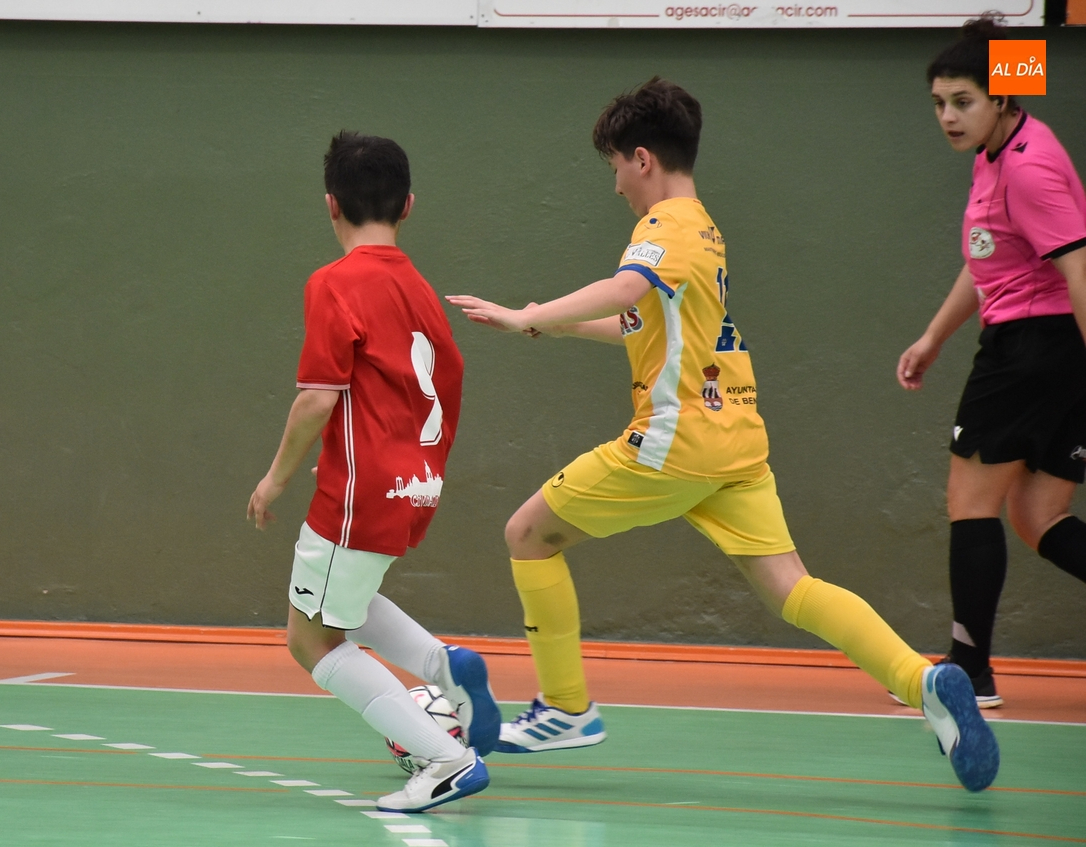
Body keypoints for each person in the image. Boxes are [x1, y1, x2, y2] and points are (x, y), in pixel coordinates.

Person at [447, 77, 999, 792]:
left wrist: (527, 315)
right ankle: (922, 681)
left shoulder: (665, 227)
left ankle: (566, 707)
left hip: (674, 441)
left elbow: (625, 290)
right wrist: (554, 327)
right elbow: (642, 322)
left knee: (528, 534)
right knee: (792, 587)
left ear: (642, 159)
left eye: (616, 167)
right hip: (734, 442)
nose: (616, 185)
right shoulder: (704, 228)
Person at [247, 131, 500, 813]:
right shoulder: (420, 290)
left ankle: (446, 759)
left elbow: (317, 399)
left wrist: (275, 478)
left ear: (331, 204)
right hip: (415, 484)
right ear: (408, 205)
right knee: (345, 605)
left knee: (309, 638)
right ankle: (444, 668)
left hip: (359, 491)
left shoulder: (334, 283)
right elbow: (445, 382)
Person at [897, 18, 1086, 709]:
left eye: (963, 101)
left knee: (970, 502)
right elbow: (990, 258)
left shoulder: (1029, 169)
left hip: (1030, 351)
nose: (948, 116)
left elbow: (1079, 270)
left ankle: (969, 671)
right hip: (1053, 353)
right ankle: (971, 667)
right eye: (939, 103)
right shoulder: (998, 151)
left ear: (1001, 98)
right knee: (1040, 516)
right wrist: (934, 337)